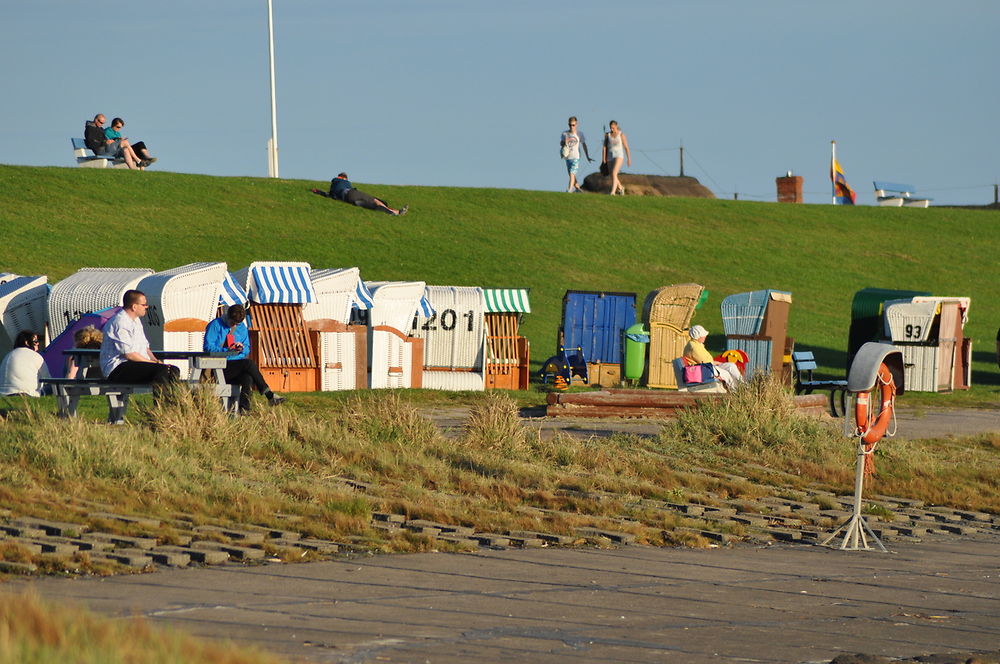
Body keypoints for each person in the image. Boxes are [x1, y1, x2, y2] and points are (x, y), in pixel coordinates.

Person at [203, 304, 285, 413]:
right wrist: (226, 350)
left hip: (236, 363)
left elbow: (247, 348)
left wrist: (241, 349)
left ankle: (244, 409)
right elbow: (208, 347)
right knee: (248, 364)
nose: (234, 325)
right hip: (220, 365)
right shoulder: (215, 325)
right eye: (233, 323)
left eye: (237, 324)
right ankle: (269, 395)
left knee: (247, 378)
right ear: (228, 317)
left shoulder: (242, 328)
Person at [99, 290, 180, 389]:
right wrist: (152, 363)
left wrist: (155, 360)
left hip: (135, 364)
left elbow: (145, 347)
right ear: (134, 307)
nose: (147, 307)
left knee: (173, 370)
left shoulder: (136, 321)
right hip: (117, 368)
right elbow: (129, 354)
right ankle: (160, 402)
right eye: (144, 304)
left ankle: (173, 403)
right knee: (161, 370)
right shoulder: (120, 323)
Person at [314, 173, 408, 216]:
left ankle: (394, 212)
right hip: (352, 193)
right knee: (375, 201)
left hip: (349, 199)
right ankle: (395, 212)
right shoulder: (345, 182)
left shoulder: (334, 187)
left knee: (371, 206)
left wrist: (318, 191)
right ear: (344, 178)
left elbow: (327, 195)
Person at [683, 325, 743, 390]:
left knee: (731, 365)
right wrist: (717, 369)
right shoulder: (694, 348)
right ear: (697, 336)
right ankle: (735, 392)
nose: (705, 337)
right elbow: (706, 362)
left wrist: (718, 363)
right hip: (703, 370)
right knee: (726, 374)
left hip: (706, 367)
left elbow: (706, 361)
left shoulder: (696, 344)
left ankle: (743, 385)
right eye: (703, 335)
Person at [0, 330, 50, 397]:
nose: (38, 344)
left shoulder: (8, 355)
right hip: (27, 394)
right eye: (35, 342)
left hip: (3, 394)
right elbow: (48, 379)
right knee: (51, 388)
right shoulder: (35, 356)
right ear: (26, 342)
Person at [560, 116, 593, 192]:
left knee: (572, 173)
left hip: (576, 157)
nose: (572, 127)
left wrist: (587, 156)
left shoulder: (579, 134)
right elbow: (561, 143)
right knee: (572, 175)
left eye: (573, 125)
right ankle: (578, 188)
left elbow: (584, 145)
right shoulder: (565, 134)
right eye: (570, 125)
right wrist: (564, 142)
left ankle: (570, 190)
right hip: (568, 157)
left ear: (576, 124)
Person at [602, 120, 632, 195]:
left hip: (619, 155)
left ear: (616, 126)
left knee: (614, 172)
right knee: (612, 175)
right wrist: (603, 159)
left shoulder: (621, 134)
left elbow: (626, 147)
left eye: (613, 128)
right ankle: (621, 188)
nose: (612, 130)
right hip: (609, 156)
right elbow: (604, 147)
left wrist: (629, 159)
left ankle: (613, 192)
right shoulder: (607, 135)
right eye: (610, 128)